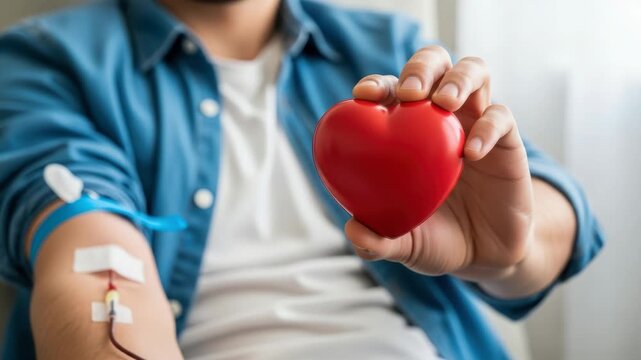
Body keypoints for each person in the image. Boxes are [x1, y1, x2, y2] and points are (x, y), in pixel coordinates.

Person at [0, 0, 604, 359]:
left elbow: (560, 210)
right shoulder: (46, 63)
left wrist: (505, 250)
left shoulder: (391, 48)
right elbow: (90, 256)